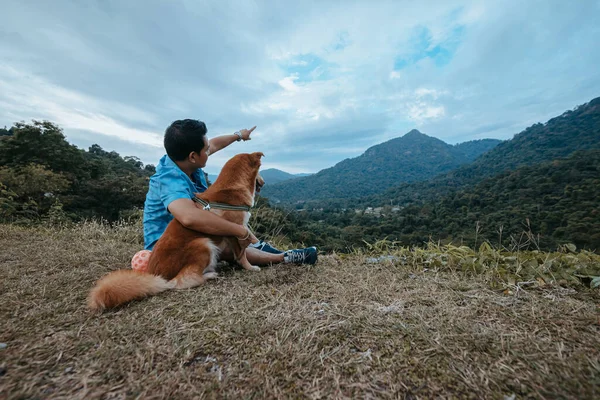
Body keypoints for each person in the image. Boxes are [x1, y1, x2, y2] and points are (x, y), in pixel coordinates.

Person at [142, 119, 318, 266]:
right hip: (169, 247)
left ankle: (260, 245)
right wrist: (240, 231)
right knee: (228, 244)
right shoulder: (168, 180)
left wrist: (239, 135)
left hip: (194, 233)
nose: (209, 149)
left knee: (231, 217)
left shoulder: (185, 160)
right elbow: (189, 217)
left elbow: (215, 144)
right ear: (193, 156)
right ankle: (282, 258)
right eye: (205, 149)